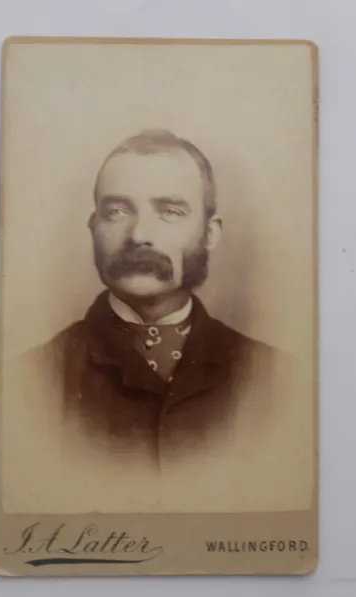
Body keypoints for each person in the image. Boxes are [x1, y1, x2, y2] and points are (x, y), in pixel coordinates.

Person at [26, 129, 280, 465]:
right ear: (93, 227)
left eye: (170, 211)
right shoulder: (31, 382)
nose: (139, 235)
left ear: (209, 234)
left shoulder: (277, 379)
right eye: (117, 211)